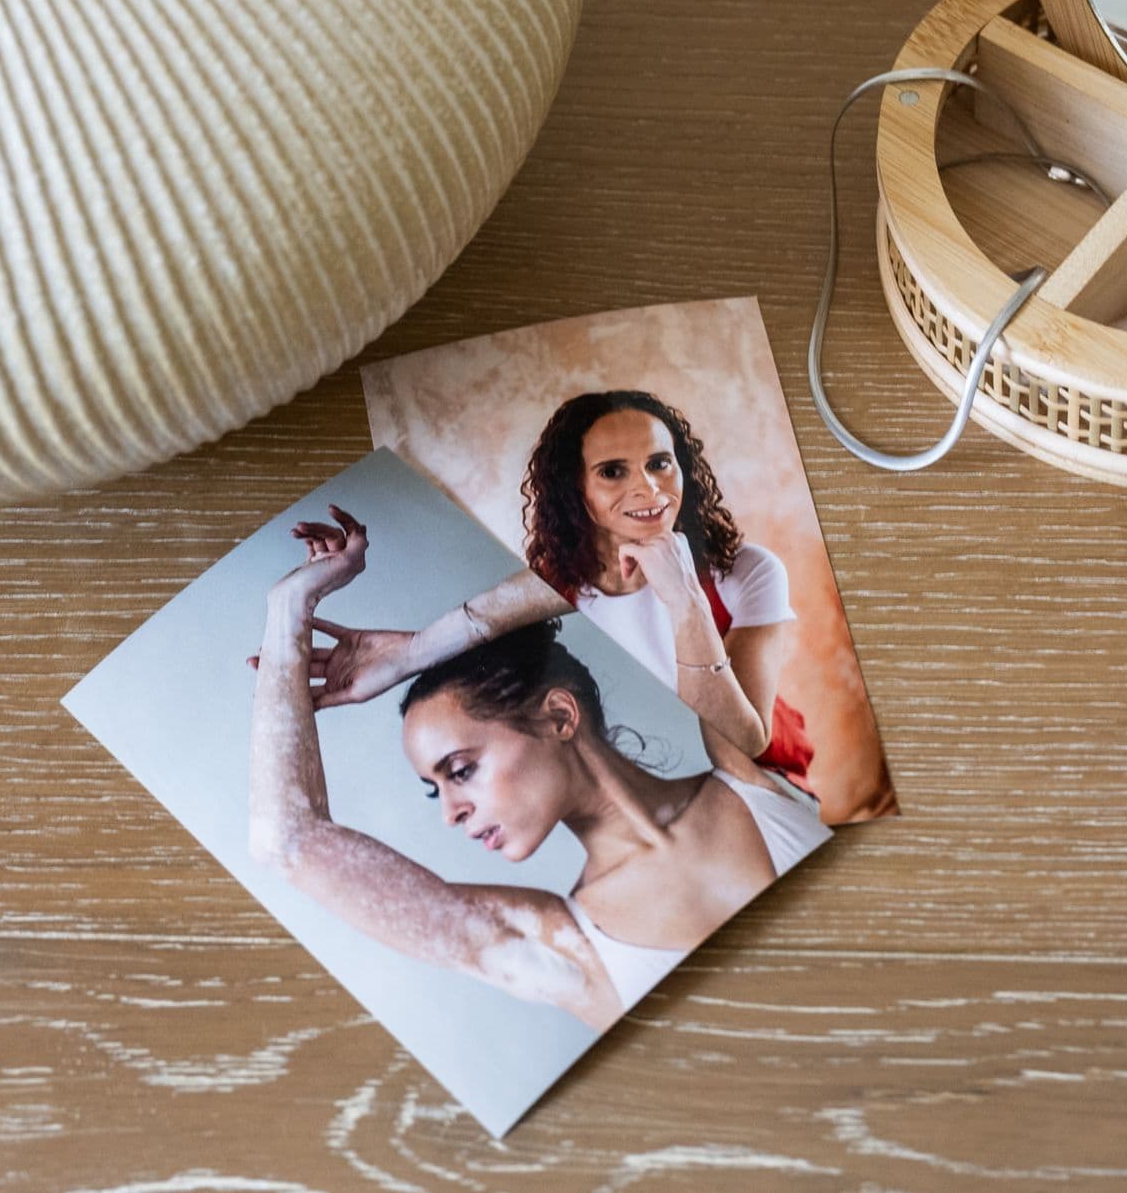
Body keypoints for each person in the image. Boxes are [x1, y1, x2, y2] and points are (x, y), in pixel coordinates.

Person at [248, 506, 827, 1030]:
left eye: (460, 770)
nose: (452, 813)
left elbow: (613, 560)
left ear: (558, 715)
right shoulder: (563, 949)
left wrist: (423, 648)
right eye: (435, 790)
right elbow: (287, 839)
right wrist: (288, 610)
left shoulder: (742, 759)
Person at [282, 390, 818, 791]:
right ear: (575, 491)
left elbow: (744, 744)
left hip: (774, 792)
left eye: (660, 462)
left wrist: (685, 599)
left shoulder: (745, 570)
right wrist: (405, 655)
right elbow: (485, 622)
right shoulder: (559, 588)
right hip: (676, 805)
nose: (649, 489)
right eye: (612, 471)